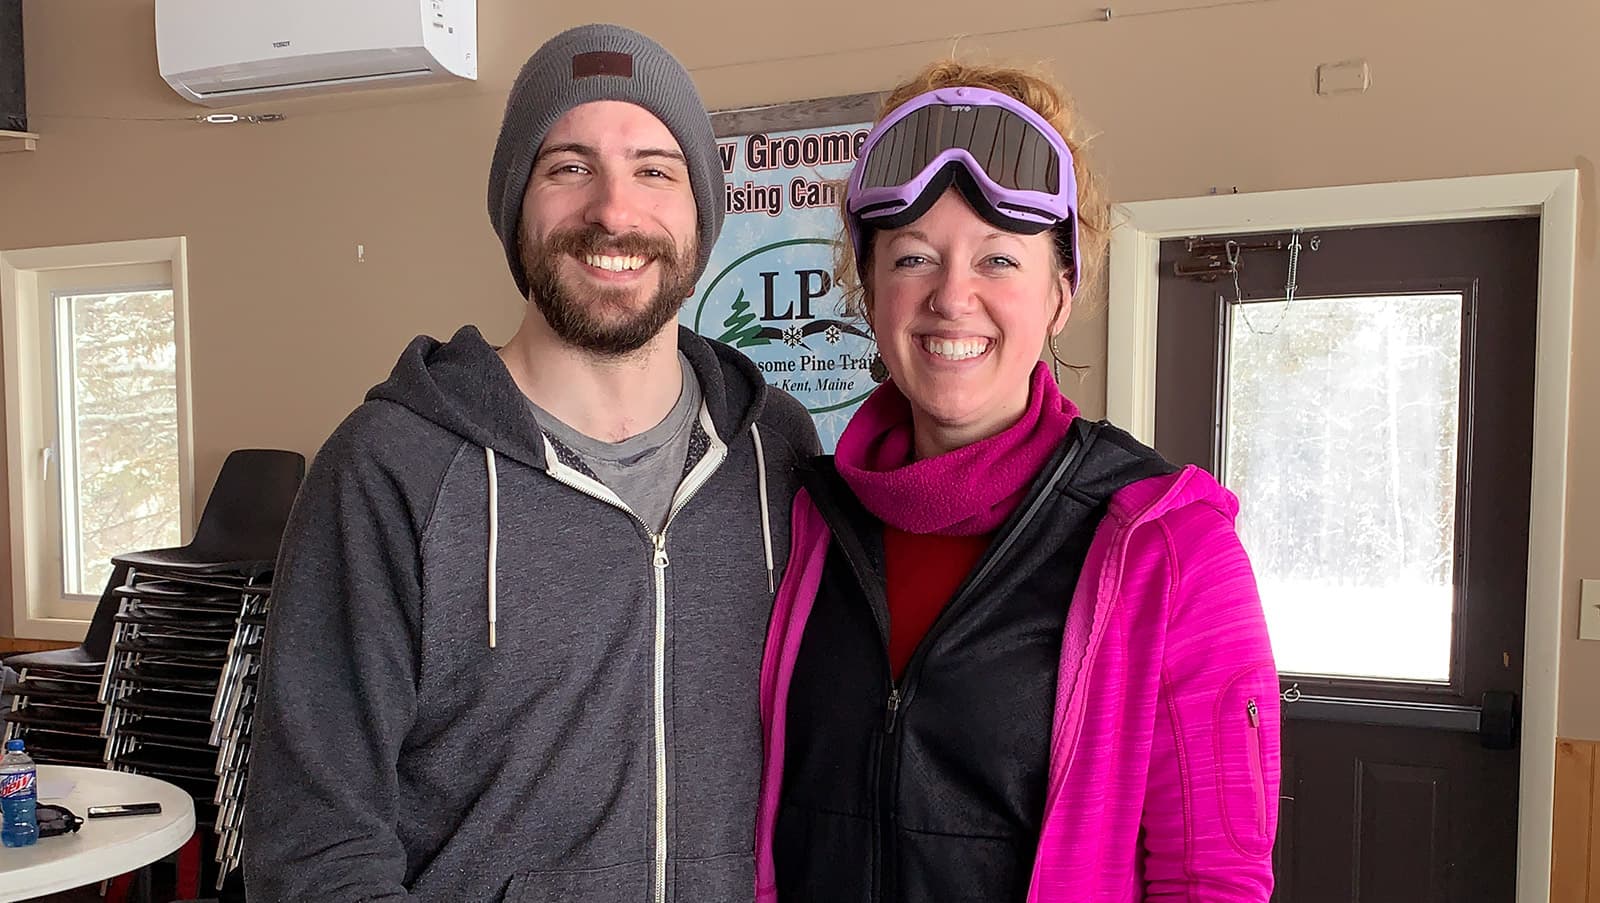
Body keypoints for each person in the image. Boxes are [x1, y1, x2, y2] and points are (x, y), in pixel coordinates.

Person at [243, 24, 820, 902]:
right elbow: (315, 847)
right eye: (569, 166)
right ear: (516, 205)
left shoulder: (776, 452)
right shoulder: (389, 469)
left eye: (656, 170)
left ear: (702, 212)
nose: (615, 211)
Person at [754, 61, 1279, 901]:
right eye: (914, 256)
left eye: (998, 259)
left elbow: (1213, 879)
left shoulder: (1172, 547)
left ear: (1060, 294)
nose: (951, 296)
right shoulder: (798, 522)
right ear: (869, 291)